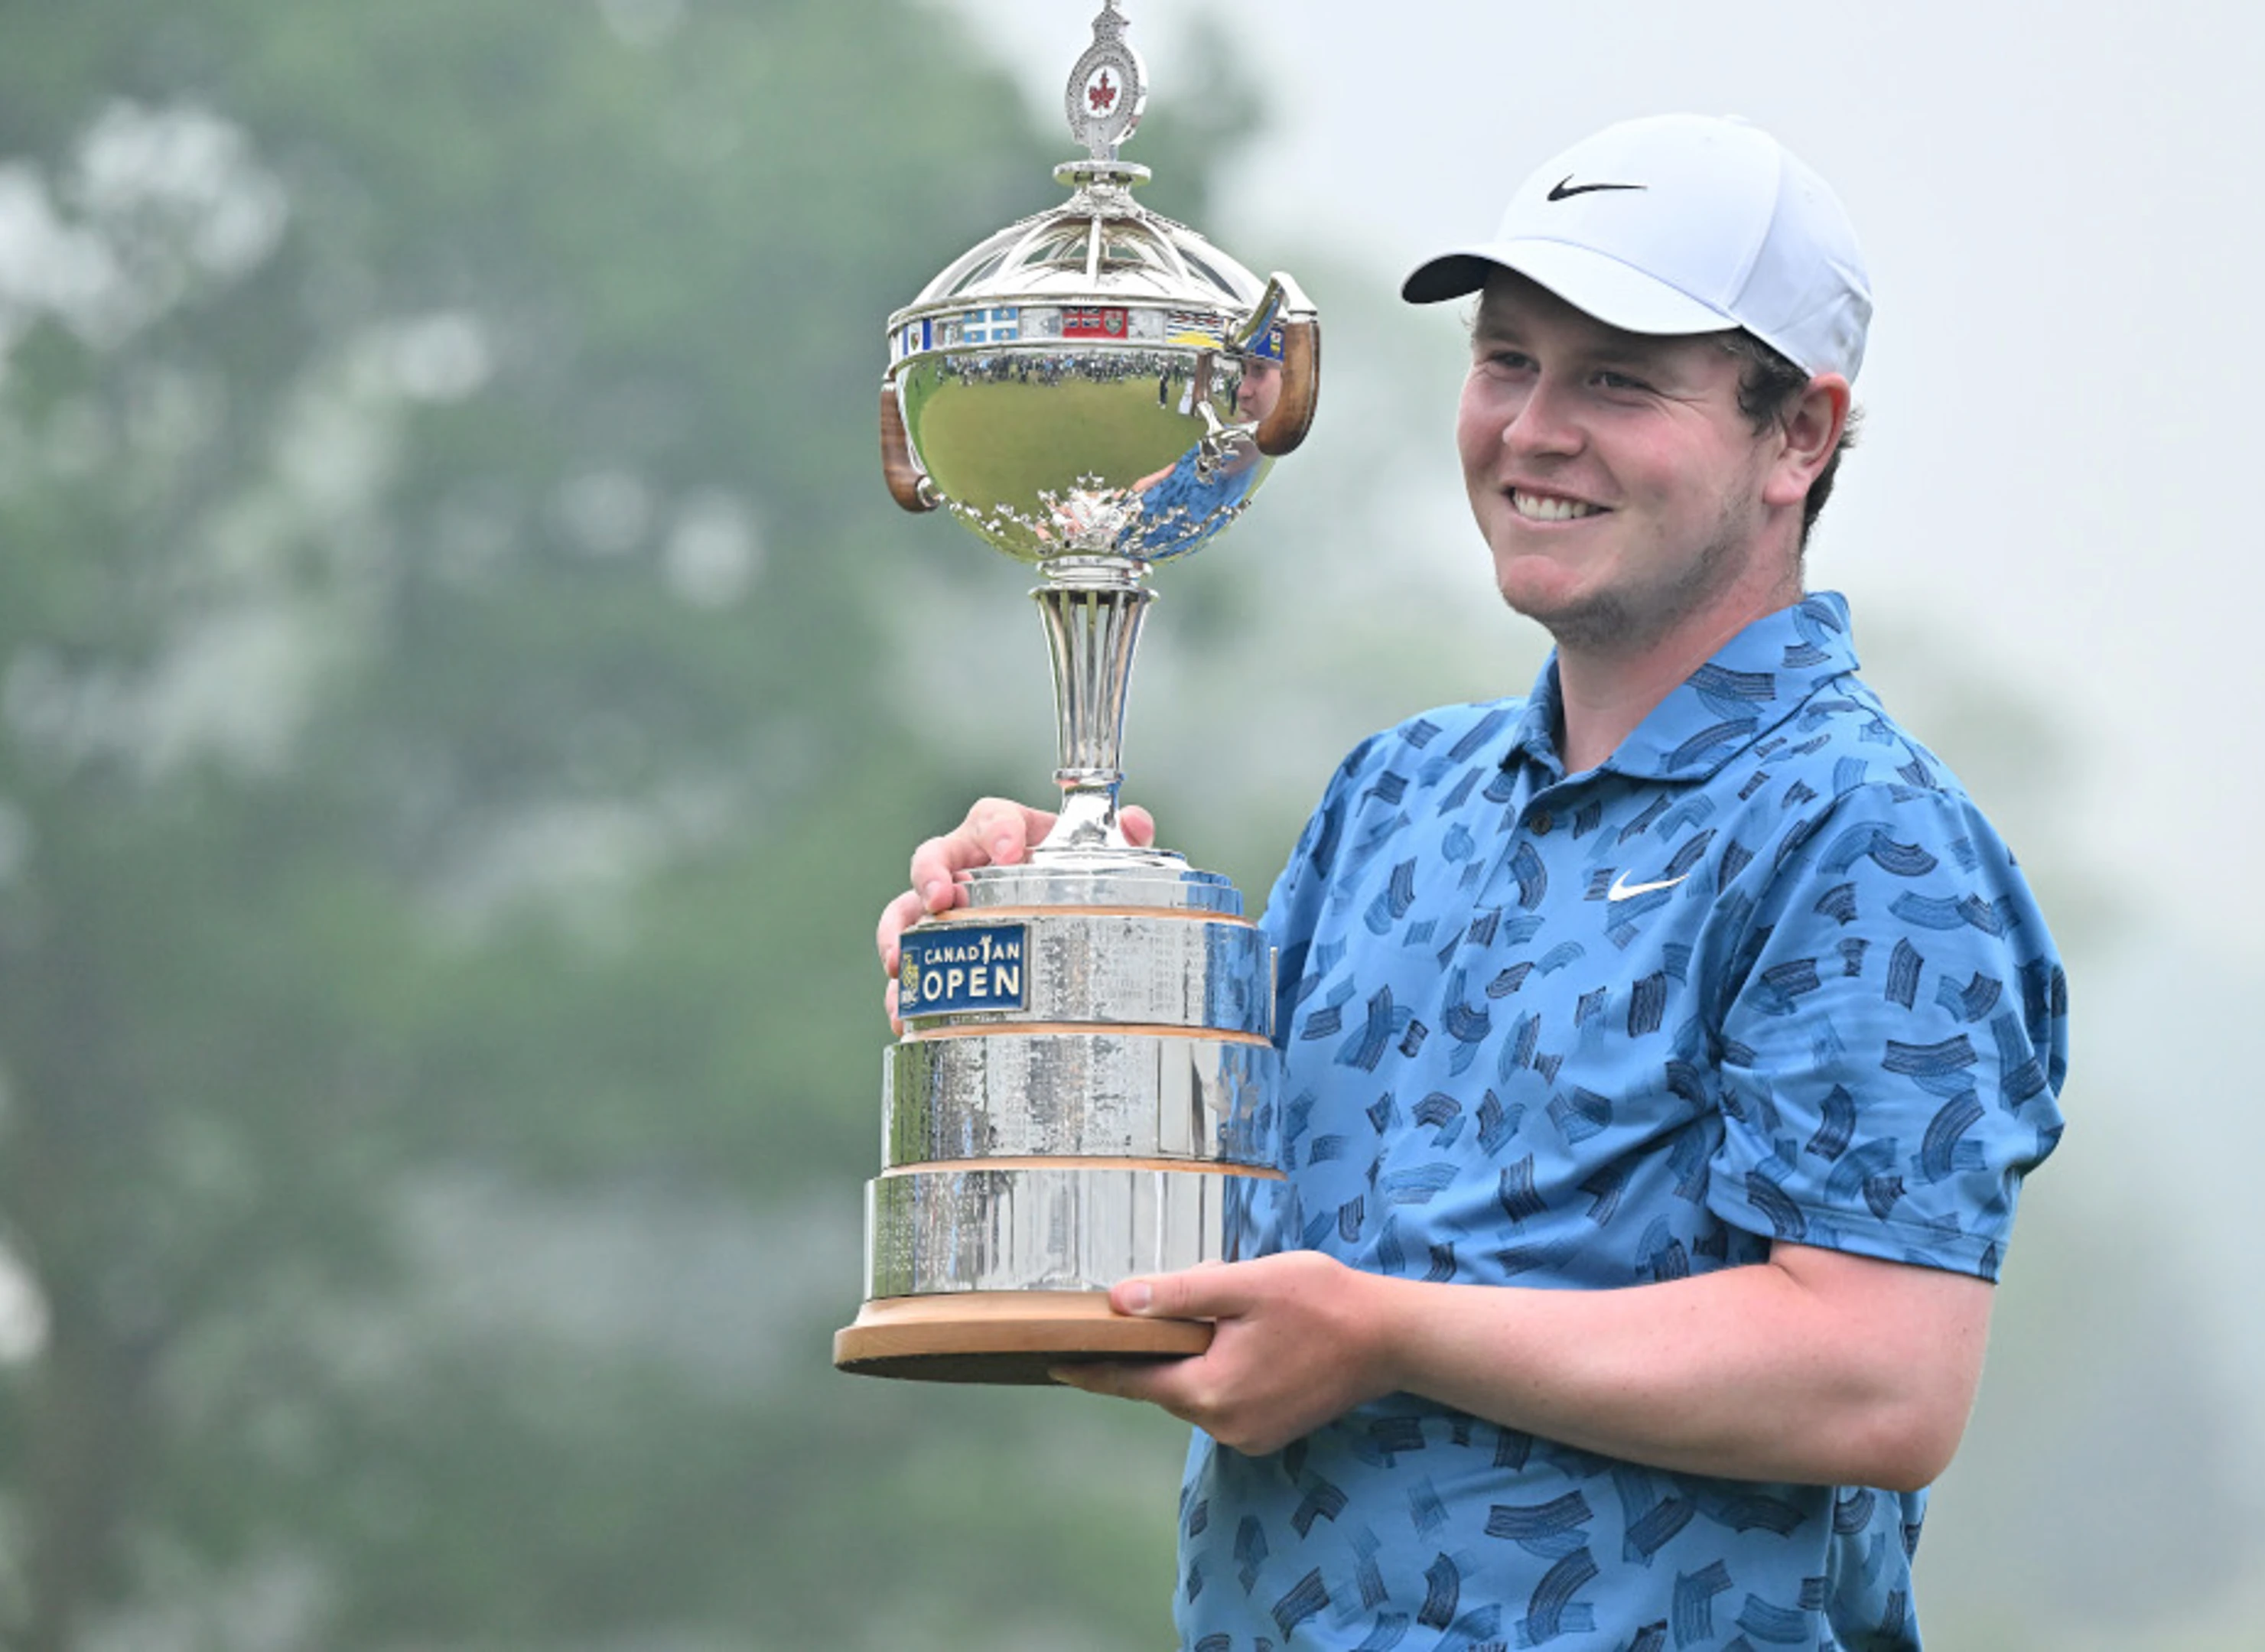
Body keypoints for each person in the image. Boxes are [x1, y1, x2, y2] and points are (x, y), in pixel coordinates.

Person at [877, 114, 2066, 1651]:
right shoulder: (1394, 796)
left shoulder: (1862, 835)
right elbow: (1203, 1231)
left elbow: (1877, 1377)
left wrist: (1381, 1337)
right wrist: (1043, 965)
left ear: (1801, 435)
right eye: (1507, 361)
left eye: (1618, 380)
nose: (1535, 428)